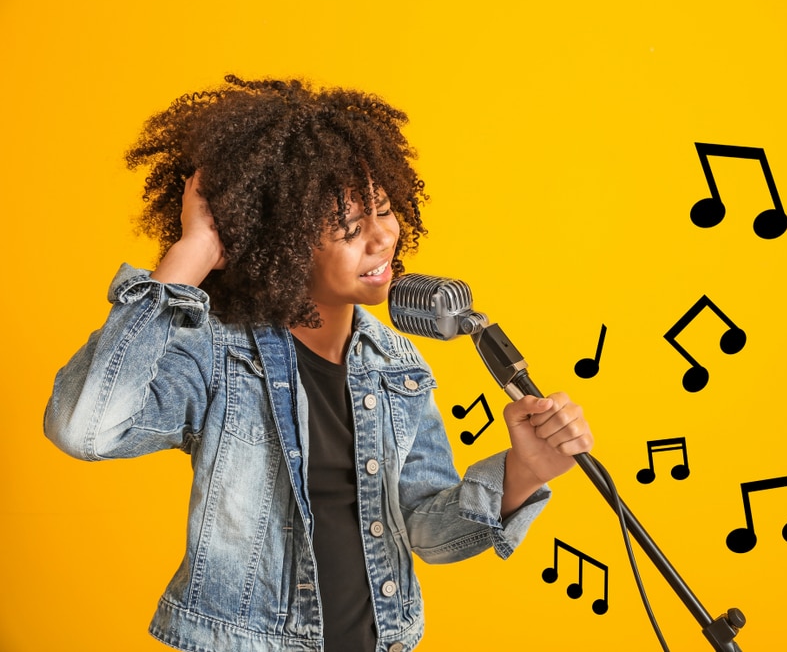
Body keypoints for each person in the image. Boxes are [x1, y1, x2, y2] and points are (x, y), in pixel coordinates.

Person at [44, 75, 594, 652]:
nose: (382, 238)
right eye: (350, 229)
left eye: (383, 211)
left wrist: (521, 473)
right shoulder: (218, 353)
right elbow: (85, 429)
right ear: (278, 243)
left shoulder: (395, 362)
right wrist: (191, 257)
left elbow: (427, 534)